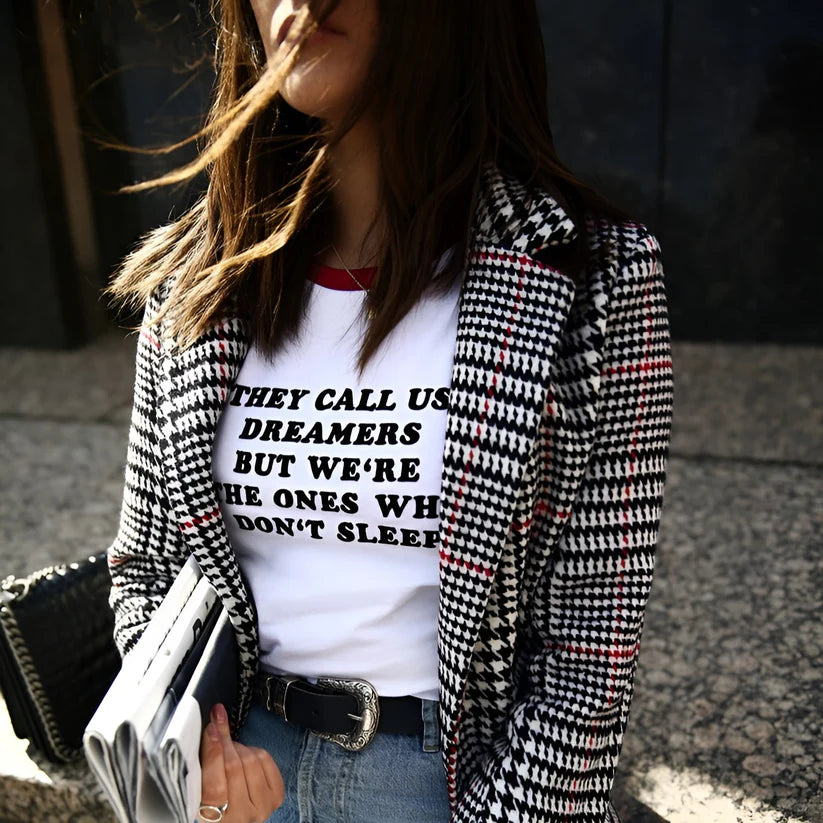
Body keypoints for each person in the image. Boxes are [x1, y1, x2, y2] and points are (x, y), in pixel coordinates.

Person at [105, 1, 674, 821]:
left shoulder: (592, 274)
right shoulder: (198, 278)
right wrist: (195, 748)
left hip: (447, 784)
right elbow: (145, 570)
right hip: (238, 775)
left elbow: (590, 649)